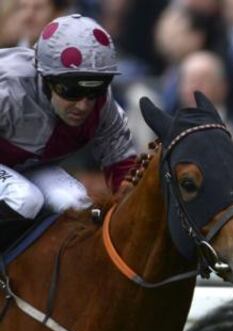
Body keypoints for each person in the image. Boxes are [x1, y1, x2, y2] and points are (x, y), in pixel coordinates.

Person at [0, 14, 136, 251]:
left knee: (75, 203)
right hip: (18, 176)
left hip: (26, 166)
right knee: (23, 198)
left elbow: (126, 176)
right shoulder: (9, 90)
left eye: (95, 90)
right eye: (71, 90)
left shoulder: (103, 107)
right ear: (45, 79)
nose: (83, 105)